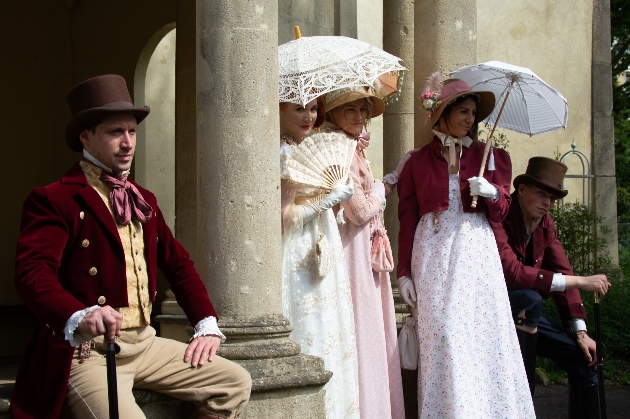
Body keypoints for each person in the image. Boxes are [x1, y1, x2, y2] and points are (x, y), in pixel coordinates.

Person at [11, 75, 252, 419]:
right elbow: (32, 273)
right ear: (86, 136)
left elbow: (179, 264)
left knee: (235, 382)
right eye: (115, 132)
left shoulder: (143, 198)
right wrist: (80, 314)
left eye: (132, 132)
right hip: (88, 353)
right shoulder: (55, 198)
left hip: (145, 343)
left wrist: (205, 324)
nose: (127, 143)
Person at [396, 77, 535, 418]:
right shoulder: (416, 161)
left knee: (481, 337)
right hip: (432, 255)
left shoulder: (493, 157)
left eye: (473, 113)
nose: (470, 119)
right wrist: (403, 274)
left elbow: (502, 214)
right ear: (441, 113)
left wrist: (493, 193)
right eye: (462, 111)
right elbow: (407, 219)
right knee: (443, 336)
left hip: (475, 253)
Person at [490, 156, 612, 418]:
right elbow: (512, 274)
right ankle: (523, 405)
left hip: (525, 318)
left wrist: (580, 331)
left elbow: (562, 268)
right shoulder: (499, 215)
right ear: (522, 190)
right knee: (530, 298)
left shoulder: (544, 223)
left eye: (553, 198)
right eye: (542, 194)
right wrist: (582, 280)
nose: (548, 203)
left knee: (583, 359)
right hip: (491, 314)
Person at [322, 86, 405, 419]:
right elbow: (356, 211)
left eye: (363, 110)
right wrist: (380, 194)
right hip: (351, 246)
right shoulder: (337, 147)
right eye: (350, 110)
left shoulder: (351, 145)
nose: (359, 117)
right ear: (332, 114)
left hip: (363, 242)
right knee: (361, 324)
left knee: (369, 325)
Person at [279, 98, 360, 418]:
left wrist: (336, 203)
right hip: (300, 252)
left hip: (325, 246)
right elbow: (282, 217)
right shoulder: (283, 153)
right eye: (299, 108)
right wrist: (326, 202)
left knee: (332, 327)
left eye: (313, 109)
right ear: (280, 110)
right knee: (309, 327)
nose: (309, 116)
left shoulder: (311, 146)